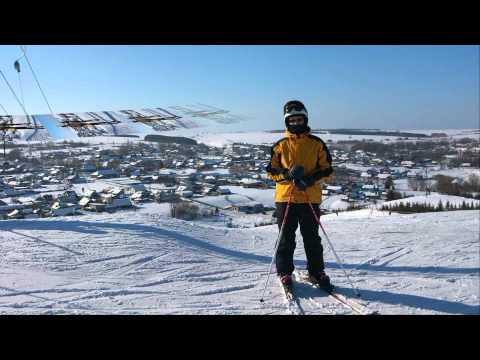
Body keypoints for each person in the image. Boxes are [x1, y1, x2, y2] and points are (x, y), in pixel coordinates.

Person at [266, 100, 334, 290]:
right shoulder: (280, 145)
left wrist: (311, 179)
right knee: (285, 238)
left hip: (308, 197)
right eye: (292, 120)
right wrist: (287, 175)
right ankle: (284, 272)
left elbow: (328, 169)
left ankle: (317, 271)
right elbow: (271, 170)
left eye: (299, 119)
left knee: (312, 238)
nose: (296, 123)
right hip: (286, 198)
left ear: (305, 119)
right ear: (287, 122)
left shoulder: (316, 144)